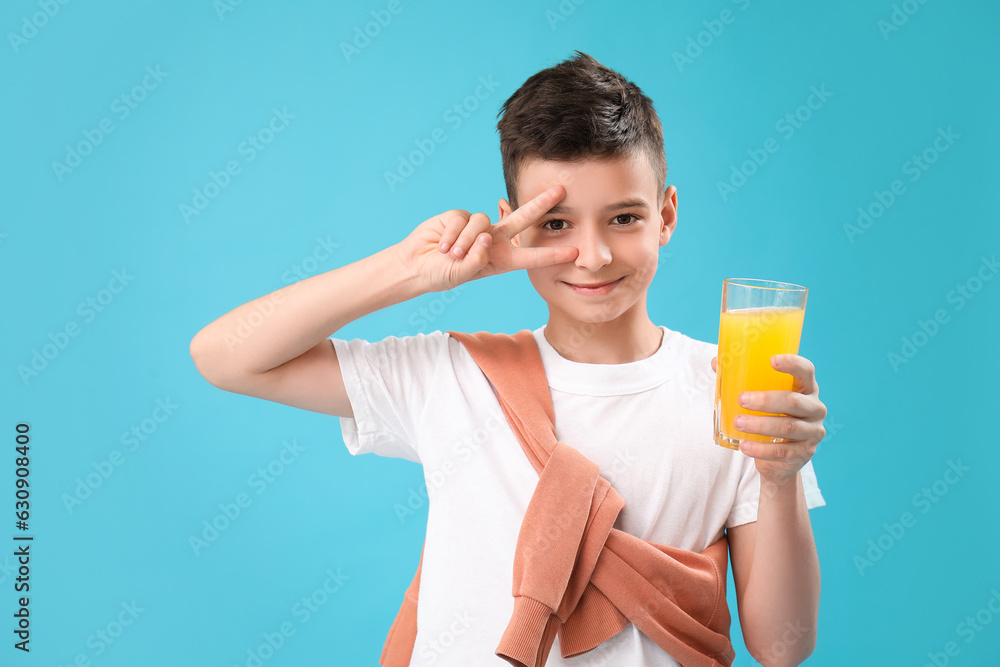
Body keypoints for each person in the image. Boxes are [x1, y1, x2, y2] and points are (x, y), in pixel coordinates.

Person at [190, 50, 827, 667]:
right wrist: (409, 272)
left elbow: (782, 647)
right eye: (555, 224)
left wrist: (780, 477)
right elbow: (226, 357)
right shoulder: (452, 376)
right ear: (513, 224)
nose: (593, 255)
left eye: (624, 218)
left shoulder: (734, 391)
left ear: (666, 215)